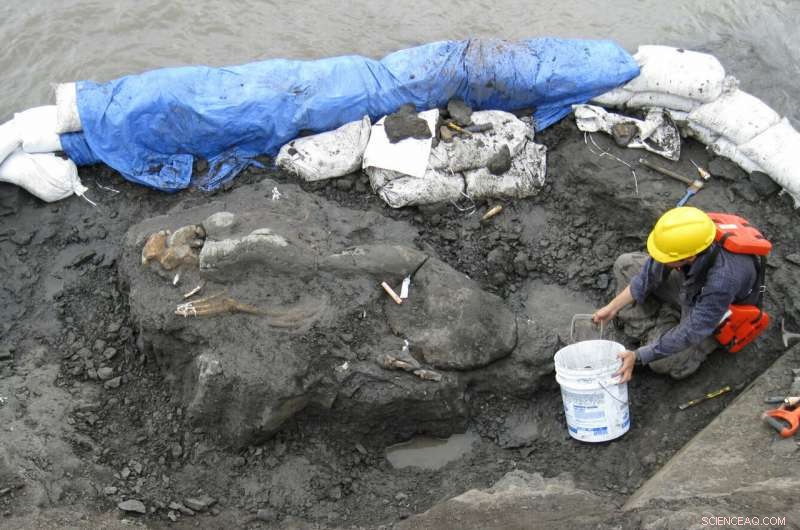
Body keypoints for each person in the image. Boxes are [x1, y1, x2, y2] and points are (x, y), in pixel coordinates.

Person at [593, 207, 762, 383]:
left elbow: (692, 330)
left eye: (666, 257)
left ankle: (690, 343)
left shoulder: (723, 280)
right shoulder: (688, 242)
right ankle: (660, 328)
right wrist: (612, 308)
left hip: (718, 311)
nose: (659, 258)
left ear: (689, 257)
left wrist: (639, 355)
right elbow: (648, 276)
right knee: (625, 264)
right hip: (690, 285)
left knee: (661, 363)